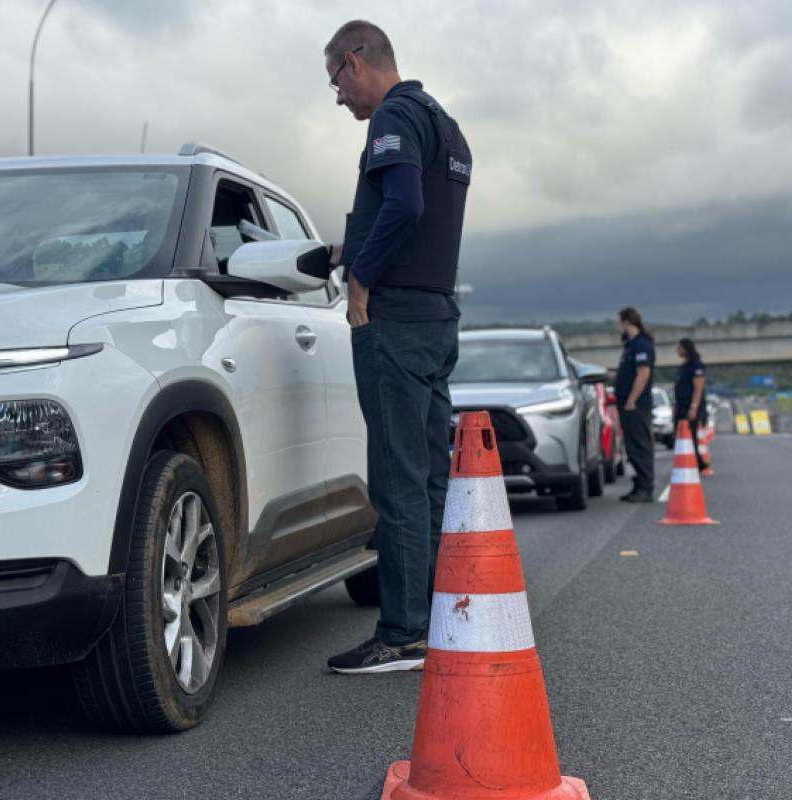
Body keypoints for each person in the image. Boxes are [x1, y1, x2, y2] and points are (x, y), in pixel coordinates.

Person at [321, 20, 472, 674]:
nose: (338, 97)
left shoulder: (394, 117)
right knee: (431, 477)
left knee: (397, 478)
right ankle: (434, 617)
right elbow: (419, 214)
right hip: (436, 316)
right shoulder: (445, 123)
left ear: (356, 61)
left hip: (397, 324)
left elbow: (405, 204)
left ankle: (403, 633)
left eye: (336, 80)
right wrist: (349, 248)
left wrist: (360, 275)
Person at [614, 307, 656, 502]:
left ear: (627, 322)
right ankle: (639, 484)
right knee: (631, 448)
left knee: (640, 446)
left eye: (619, 322)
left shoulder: (641, 345)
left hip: (636, 405)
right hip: (626, 404)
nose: (617, 326)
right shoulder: (630, 346)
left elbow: (643, 375)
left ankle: (646, 487)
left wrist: (632, 399)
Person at [674, 338, 709, 472]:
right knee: (682, 436)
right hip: (681, 406)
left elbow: (698, 388)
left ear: (686, 348)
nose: (677, 350)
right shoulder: (683, 367)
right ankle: (690, 461)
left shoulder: (696, 365)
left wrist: (693, 407)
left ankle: (697, 462)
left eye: (679, 348)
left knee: (691, 436)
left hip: (690, 406)